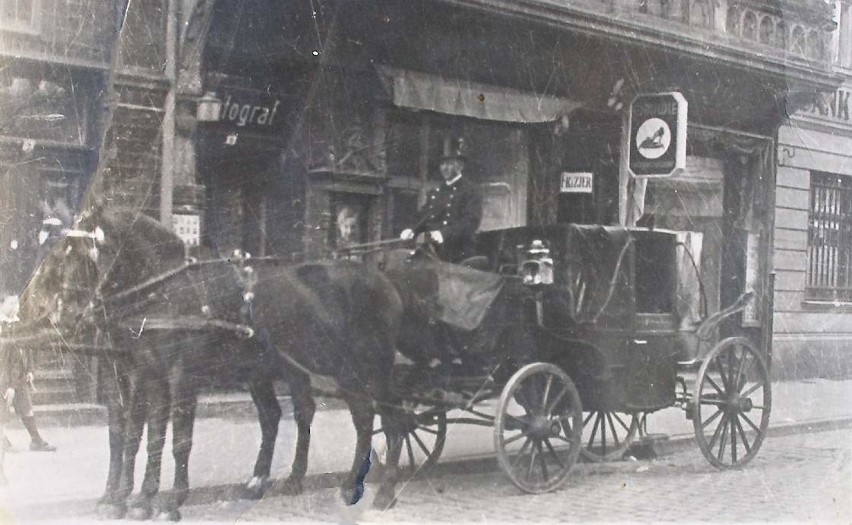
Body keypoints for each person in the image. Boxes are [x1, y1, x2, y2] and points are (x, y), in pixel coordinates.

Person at [399, 139, 483, 263]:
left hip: (459, 252)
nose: (444, 168)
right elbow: (424, 215)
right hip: (434, 250)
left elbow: (470, 222)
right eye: (442, 164)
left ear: (459, 166)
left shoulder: (470, 190)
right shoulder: (437, 191)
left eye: (449, 164)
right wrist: (411, 229)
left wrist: (443, 234)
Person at [0, 296, 55, 453]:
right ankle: (2, 441)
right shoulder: (1, 326)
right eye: (11, 303)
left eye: (17, 303)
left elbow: (26, 349)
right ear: (1, 305)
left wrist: (29, 369)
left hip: (19, 375)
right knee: (2, 411)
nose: (15, 307)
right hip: (3, 375)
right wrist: (9, 385)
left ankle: (36, 440)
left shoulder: (18, 324)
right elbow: (3, 358)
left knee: (26, 407)